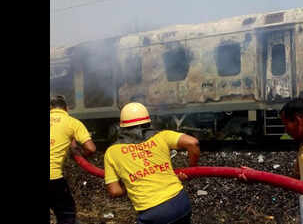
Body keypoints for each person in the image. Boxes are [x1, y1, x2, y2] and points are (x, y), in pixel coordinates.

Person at [104, 102, 200, 224]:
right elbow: (193, 143)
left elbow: (115, 191)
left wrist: (131, 185)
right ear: (148, 122)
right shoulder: (162, 136)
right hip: (181, 203)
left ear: (121, 126)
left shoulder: (112, 152)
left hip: (154, 213)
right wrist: (192, 169)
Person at [50, 95, 97, 224]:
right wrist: (80, 154)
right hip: (53, 178)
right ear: (67, 108)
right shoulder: (72, 122)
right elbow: (91, 148)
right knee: (66, 213)